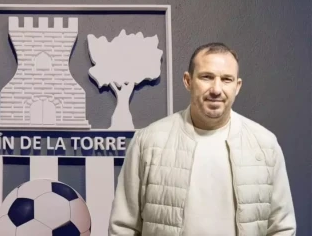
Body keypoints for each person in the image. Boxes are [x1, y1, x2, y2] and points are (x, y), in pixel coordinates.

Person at [109, 42, 296, 236]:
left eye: (226, 79)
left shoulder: (265, 145)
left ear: (237, 86)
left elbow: (281, 227)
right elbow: (123, 227)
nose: (216, 89)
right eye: (207, 77)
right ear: (188, 81)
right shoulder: (147, 142)